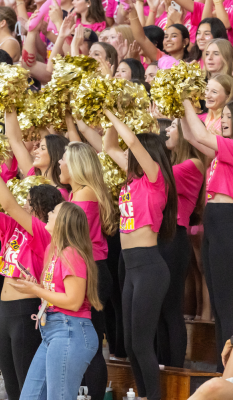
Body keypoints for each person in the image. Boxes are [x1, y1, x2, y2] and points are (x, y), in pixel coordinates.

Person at [104, 110, 178, 400]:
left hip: (149, 266)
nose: (131, 156)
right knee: (133, 342)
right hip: (132, 268)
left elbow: (132, 143)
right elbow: (110, 147)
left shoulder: (156, 178)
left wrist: (113, 111)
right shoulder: (133, 180)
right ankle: (145, 395)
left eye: (137, 153)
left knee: (143, 343)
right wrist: (109, 116)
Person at [0, 173, 63, 400]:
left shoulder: (44, 232)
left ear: (41, 207)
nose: (23, 204)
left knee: (27, 383)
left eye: (29, 201)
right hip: (5, 312)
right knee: (12, 386)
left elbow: (8, 204)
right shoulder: (13, 227)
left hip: (26, 311)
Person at [10, 202, 102, 399]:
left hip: (70, 330)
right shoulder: (55, 250)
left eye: (53, 211)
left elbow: (73, 301)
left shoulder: (72, 252)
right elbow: (58, 293)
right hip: (55, 331)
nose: (49, 214)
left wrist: (36, 290)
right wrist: (37, 286)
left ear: (63, 221)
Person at [58, 141, 117, 400]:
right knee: (86, 343)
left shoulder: (84, 194)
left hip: (92, 272)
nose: (59, 163)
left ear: (77, 166)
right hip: (90, 270)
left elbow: (66, 235)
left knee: (90, 345)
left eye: (64, 159)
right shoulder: (78, 193)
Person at [181, 99, 233, 372]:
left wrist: (187, 99)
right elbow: (191, 136)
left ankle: (229, 369)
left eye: (228, 116)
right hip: (214, 220)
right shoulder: (221, 152)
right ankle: (222, 365)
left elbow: (201, 134)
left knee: (227, 297)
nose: (223, 120)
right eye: (221, 116)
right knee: (217, 292)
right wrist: (176, 107)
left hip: (227, 222)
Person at [156, 119, 204, 368]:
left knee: (171, 307)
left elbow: (153, 175)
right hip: (160, 238)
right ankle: (164, 366)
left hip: (174, 239)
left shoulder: (192, 164)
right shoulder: (173, 163)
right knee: (160, 308)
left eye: (173, 126)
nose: (167, 130)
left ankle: (175, 370)